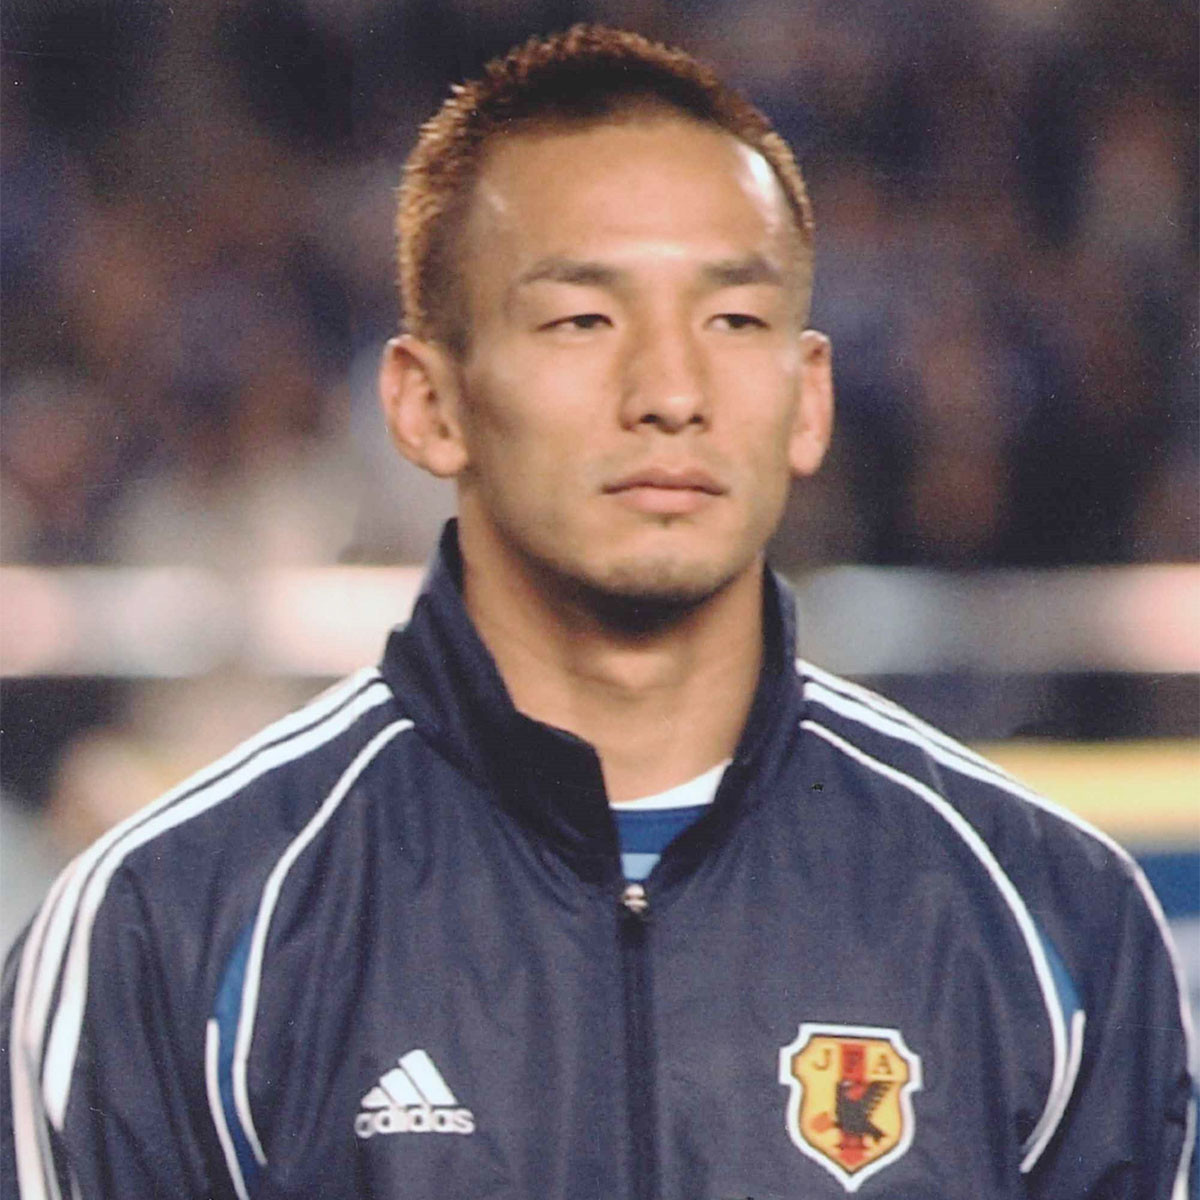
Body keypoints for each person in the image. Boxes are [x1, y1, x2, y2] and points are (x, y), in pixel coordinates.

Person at [2, 25, 1193, 1200]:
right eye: (582, 319)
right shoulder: (171, 929)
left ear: (809, 400)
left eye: (734, 321)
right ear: (428, 404)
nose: (670, 391)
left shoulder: (1054, 918)